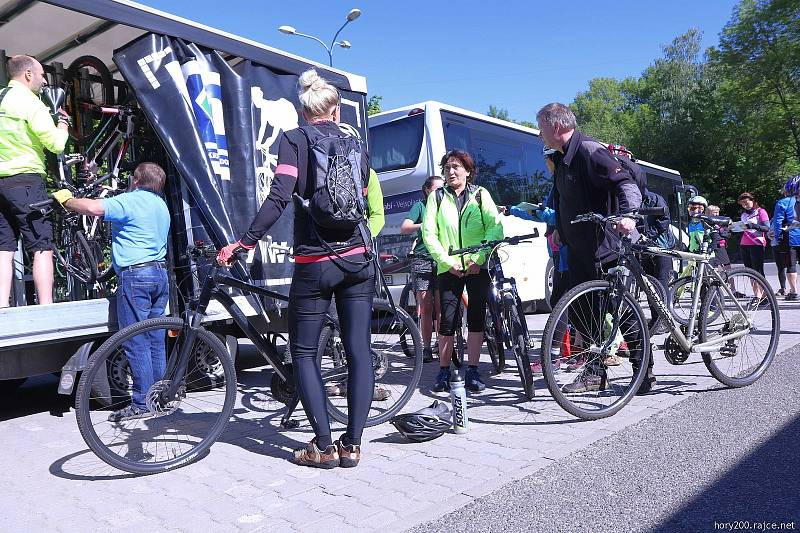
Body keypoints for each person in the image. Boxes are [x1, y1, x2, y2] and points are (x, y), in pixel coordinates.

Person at [217, 69, 373, 469]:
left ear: (303, 112)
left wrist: (246, 241)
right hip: (358, 260)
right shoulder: (357, 144)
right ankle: (352, 445)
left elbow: (280, 196)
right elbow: (362, 199)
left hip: (316, 262)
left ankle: (322, 446)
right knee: (359, 352)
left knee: (304, 352)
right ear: (335, 110)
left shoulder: (294, 141)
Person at [535, 103, 649, 394]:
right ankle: (595, 373)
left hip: (605, 248)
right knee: (584, 313)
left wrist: (628, 215)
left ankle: (643, 370)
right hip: (578, 250)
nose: (539, 134)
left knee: (620, 311)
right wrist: (560, 228)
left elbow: (626, 184)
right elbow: (563, 200)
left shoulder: (589, 150)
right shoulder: (562, 159)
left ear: (556, 126)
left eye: (541, 127)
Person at [52, 163, 170, 421]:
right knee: (155, 340)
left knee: (135, 341)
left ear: (136, 180)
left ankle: (141, 404)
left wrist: (68, 200)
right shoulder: (161, 206)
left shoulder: (131, 200)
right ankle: (159, 398)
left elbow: (94, 208)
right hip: (160, 275)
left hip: (136, 276)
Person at [422, 149, 503, 393]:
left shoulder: (480, 195)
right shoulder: (436, 197)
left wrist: (479, 258)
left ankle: (474, 370)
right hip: (449, 268)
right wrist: (447, 262)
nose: (451, 171)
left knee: (477, 317)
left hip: (478, 266)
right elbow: (429, 233)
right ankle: (444, 371)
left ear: (468, 171)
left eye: (456, 166)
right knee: (447, 321)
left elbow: (494, 228)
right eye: (447, 168)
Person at [0, 55, 70, 307]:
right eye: (41, 75)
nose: (43, 81)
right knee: (41, 244)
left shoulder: (1, 97)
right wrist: (63, 125)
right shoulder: (30, 103)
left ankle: (2, 307)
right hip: (26, 180)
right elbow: (55, 144)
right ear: (28, 74)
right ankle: (46, 306)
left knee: (4, 247)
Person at [401, 175, 444, 362]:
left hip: (442, 258)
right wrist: (424, 224)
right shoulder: (420, 206)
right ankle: (426, 347)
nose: (440, 193)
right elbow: (405, 227)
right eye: (436, 189)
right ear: (427, 190)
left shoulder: (447, 205)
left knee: (442, 306)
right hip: (423, 258)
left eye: (443, 189)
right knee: (426, 306)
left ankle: (442, 343)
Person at [770, 178, 800, 300]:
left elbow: (777, 223)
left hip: (789, 238)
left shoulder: (783, 202)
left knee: (791, 265)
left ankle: (794, 292)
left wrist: (777, 238)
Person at [737, 192, 770, 277]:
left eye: (746, 202)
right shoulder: (743, 215)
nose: (745, 205)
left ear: (753, 201)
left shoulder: (760, 212)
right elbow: (743, 229)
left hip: (757, 243)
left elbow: (767, 228)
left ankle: (763, 290)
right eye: (742, 204)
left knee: (758, 271)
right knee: (749, 272)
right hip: (744, 244)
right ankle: (756, 291)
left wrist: (753, 226)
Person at [707, 205, 731, 270]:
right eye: (714, 212)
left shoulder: (721, 222)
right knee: (716, 266)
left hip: (720, 245)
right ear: (708, 213)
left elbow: (727, 234)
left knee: (725, 265)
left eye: (717, 212)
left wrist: (722, 230)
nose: (716, 214)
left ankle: (728, 279)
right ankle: (717, 279)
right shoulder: (707, 223)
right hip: (713, 246)